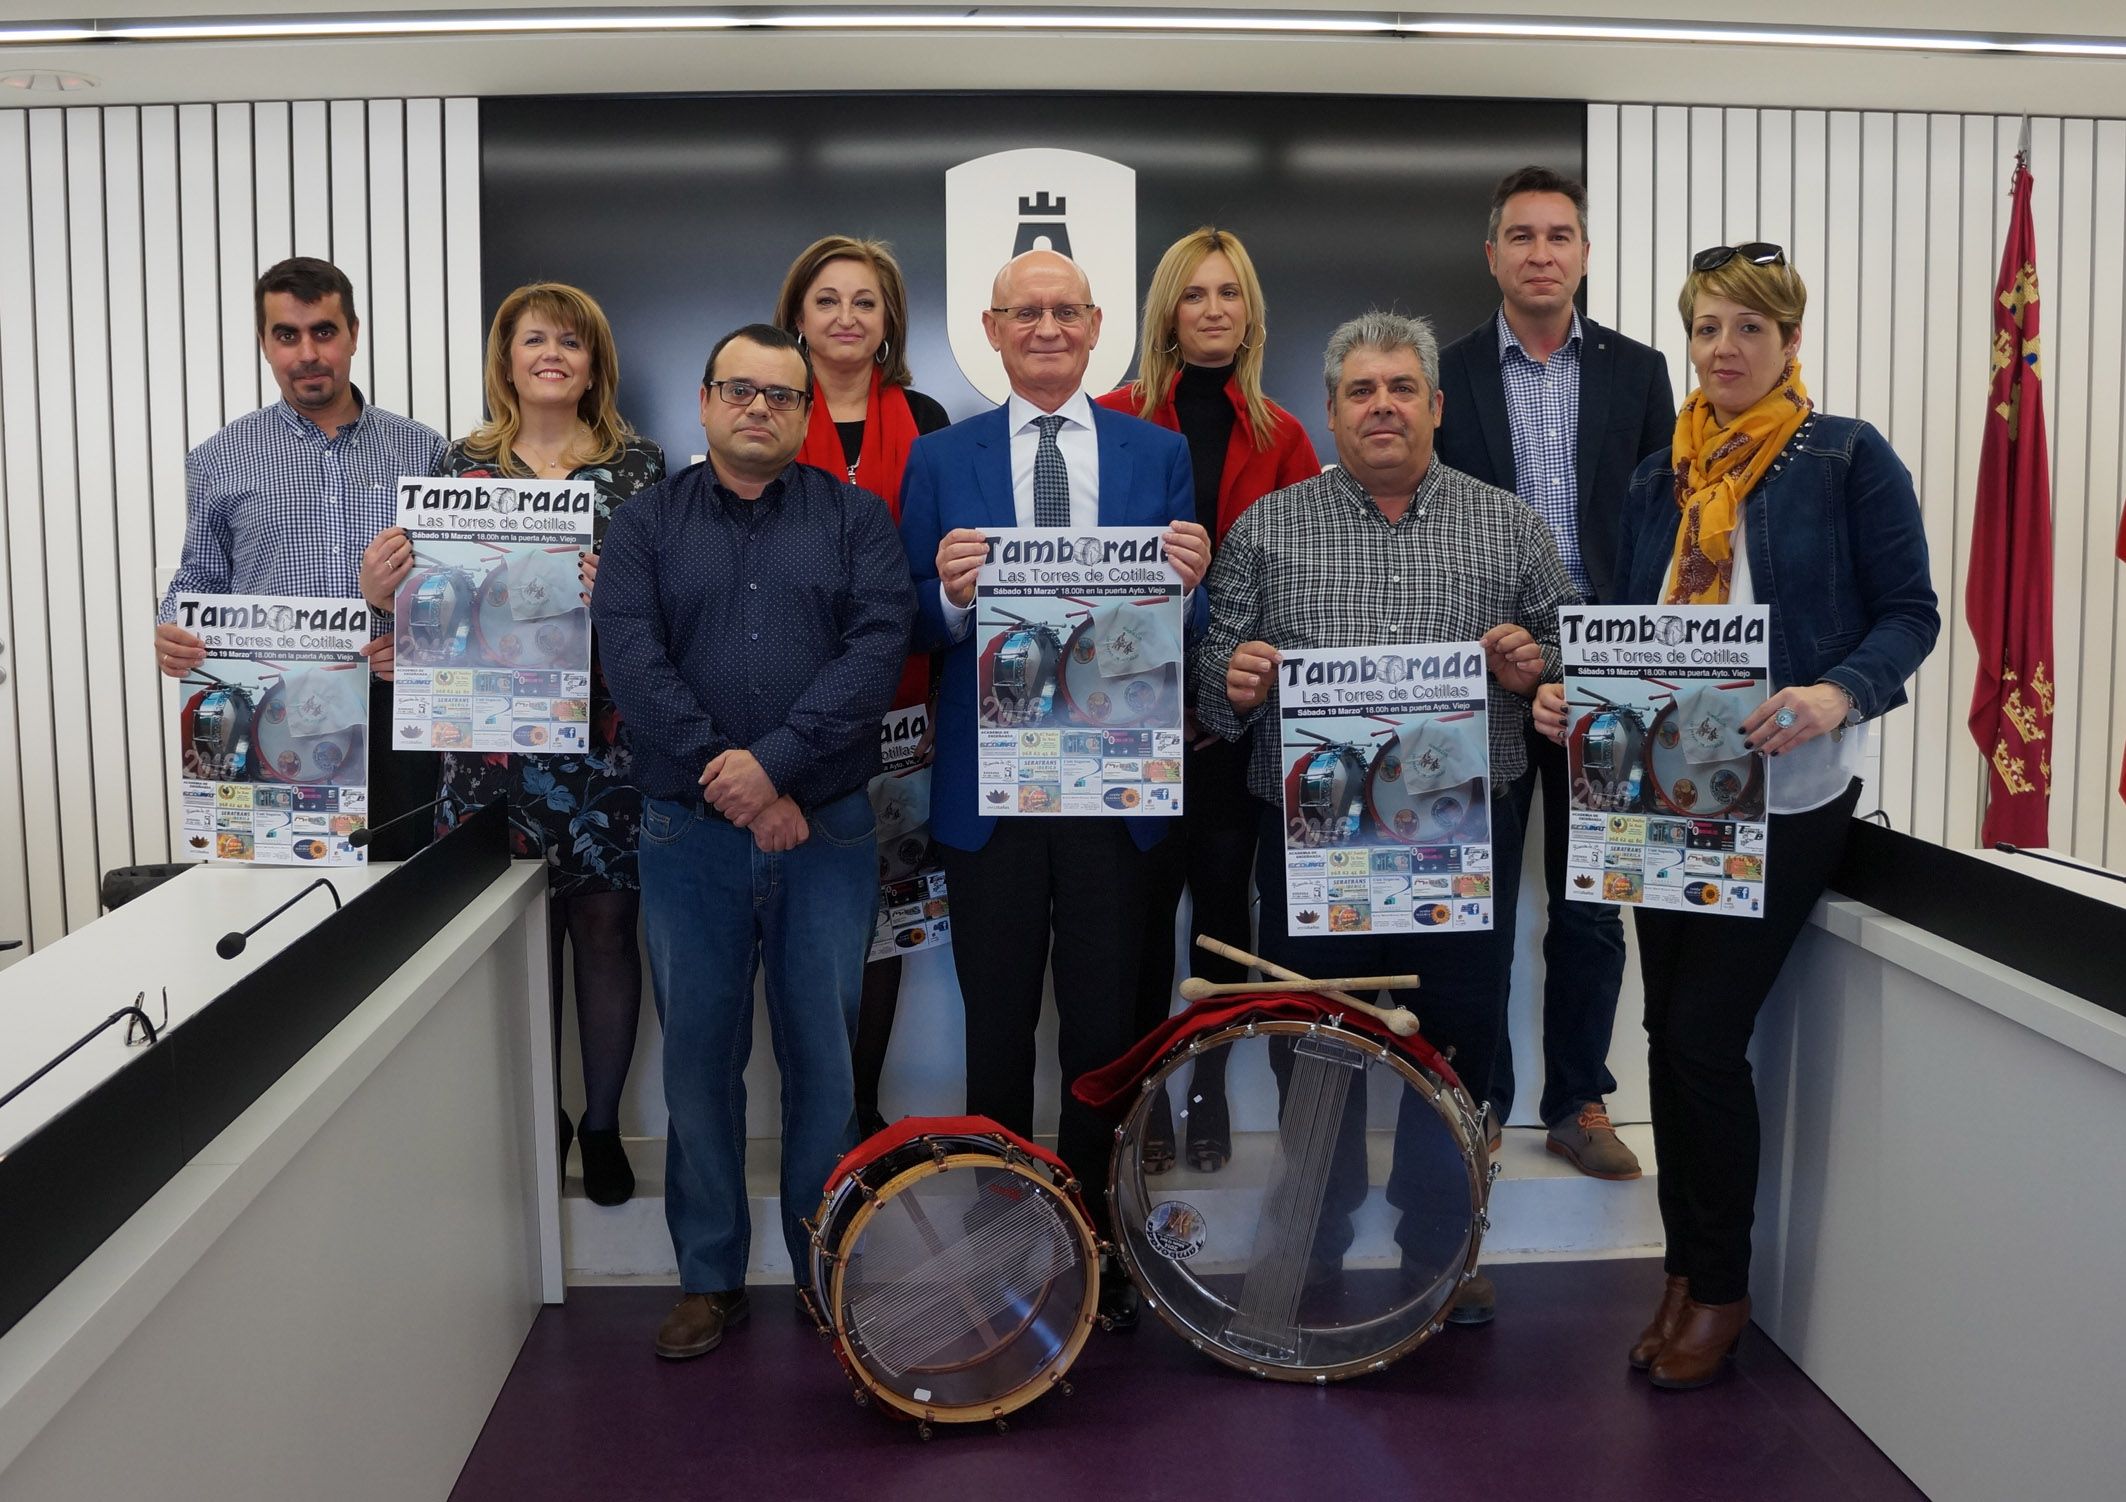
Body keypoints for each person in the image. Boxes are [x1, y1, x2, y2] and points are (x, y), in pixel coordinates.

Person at [1534, 245, 1937, 1387]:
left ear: (1787, 340)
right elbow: (1619, 626)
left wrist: (1834, 691)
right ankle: (1679, 1269)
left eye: (1747, 329)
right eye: (1707, 327)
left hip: (1790, 792)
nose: (1724, 348)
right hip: (1658, 792)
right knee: (1665, 1036)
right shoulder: (1650, 477)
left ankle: (1719, 1284)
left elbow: (1907, 613)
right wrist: (1573, 687)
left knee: (1705, 1037)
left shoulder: (1844, 456)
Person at [1199, 310, 1575, 1325]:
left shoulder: (1509, 525)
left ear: (1435, 405)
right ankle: (1308, 1246)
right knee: (1311, 1044)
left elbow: (1575, 663)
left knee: (1452, 1047)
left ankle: (1438, 1247)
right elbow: (1202, 679)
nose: (1380, 406)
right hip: (1313, 844)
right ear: (1328, 412)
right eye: (1359, 390)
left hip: (1460, 843)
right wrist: (1230, 682)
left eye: (1400, 388)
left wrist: (1537, 666)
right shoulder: (1265, 528)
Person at [898, 249, 1211, 1324]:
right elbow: (906, 619)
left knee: (1100, 1036)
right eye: (1022, 312)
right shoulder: (940, 458)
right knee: (995, 1031)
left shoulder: (1155, 453)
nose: (1044, 327)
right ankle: (1002, 1237)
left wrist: (1189, 585)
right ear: (990, 328)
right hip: (988, 797)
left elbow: (1186, 632)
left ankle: (1094, 1237)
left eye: (1064, 311)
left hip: (1112, 796)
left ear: (1095, 328)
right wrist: (943, 600)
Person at [593, 323, 915, 1360]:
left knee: (823, 1057)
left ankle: (824, 1264)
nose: (759, 408)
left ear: (806, 410)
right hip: (688, 831)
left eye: (781, 395)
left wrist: (773, 764)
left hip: (824, 828)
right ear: (703, 400)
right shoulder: (644, 523)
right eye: (740, 389)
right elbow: (632, 664)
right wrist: (734, 782)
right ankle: (708, 1277)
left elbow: (876, 653)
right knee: (698, 1060)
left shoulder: (858, 520)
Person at [1435, 166, 1676, 1180]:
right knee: (1475, 900)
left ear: (1582, 252)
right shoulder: (1441, 368)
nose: (1540, 252)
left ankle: (1578, 1098)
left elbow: (1667, 520)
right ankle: (1474, 1101)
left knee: (1590, 899)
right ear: (1490, 254)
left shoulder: (1639, 369)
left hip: (1609, 671)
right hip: (1484, 664)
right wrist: (1495, 642)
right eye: (1520, 236)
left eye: (1559, 235)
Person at [433, 282, 664, 1207]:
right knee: (519, 942)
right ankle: (539, 1118)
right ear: (508, 357)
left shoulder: (640, 470)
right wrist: (390, 585)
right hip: (487, 743)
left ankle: (601, 1122)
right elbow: (435, 611)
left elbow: (671, 612)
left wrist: (624, 590)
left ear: (594, 359)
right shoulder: (460, 465)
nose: (552, 354)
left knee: (606, 930)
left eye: (572, 340)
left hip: (604, 741)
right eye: (535, 339)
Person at [1094, 227, 1319, 1174]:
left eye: (1231, 293)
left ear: (1252, 312)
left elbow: (1304, 582)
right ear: (1167, 313)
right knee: (1137, 931)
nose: (1215, 309)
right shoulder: (1107, 418)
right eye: (1195, 294)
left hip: (1238, 732)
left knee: (1226, 922)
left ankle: (1213, 1091)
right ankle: (1144, 1105)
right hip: (1124, 726)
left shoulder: (1286, 435)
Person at [154, 256, 445, 860]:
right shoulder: (219, 457)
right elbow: (200, 576)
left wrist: (419, 645)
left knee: (402, 907)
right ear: (264, 343)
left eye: (324, 331)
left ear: (354, 334)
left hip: (394, 714)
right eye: (287, 335)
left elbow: (447, 585)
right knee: (276, 911)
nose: (307, 353)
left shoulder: (425, 450)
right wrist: (173, 628)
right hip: (268, 714)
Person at [773, 235, 953, 1138]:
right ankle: (808, 1102)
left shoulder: (923, 415)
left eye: (866, 301)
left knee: (886, 918)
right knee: (802, 918)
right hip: (783, 716)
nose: (846, 316)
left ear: (889, 323)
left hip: (905, 715)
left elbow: (942, 569)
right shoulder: (765, 408)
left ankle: (859, 1103)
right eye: (827, 299)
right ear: (796, 315)